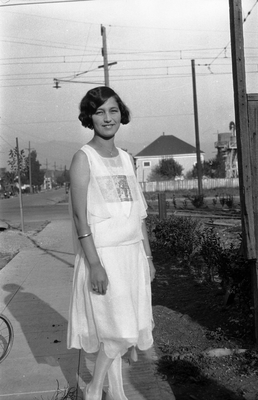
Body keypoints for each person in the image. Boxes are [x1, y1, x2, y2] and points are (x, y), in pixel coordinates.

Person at [67, 86, 155, 400]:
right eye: (100, 111)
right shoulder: (83, 158)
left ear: (122, 114)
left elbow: (138, 214)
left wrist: (147, 256)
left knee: (119, 328)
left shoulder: (126, 158)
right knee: (122, 331)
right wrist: (93, 265)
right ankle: (93, 389)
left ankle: (117, 394)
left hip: (131, 255)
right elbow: (80, 218)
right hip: (103, 257)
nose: (108, 118)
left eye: (113, 110)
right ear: (89, 117)